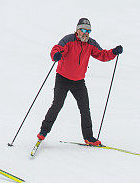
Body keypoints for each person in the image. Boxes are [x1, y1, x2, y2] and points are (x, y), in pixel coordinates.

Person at [36, 18, 123, 146]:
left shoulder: (91, 44)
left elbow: (102, 55)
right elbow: (56, 49)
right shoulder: (68, 40)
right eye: (83, 30)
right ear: (77, 30)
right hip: (63, 78)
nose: (85, 33)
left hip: (78, 81)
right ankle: (43, 132)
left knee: (85, 108)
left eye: (88, 31)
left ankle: (89, 138)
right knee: (57, 105)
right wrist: (56, 55)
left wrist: (114, 52)